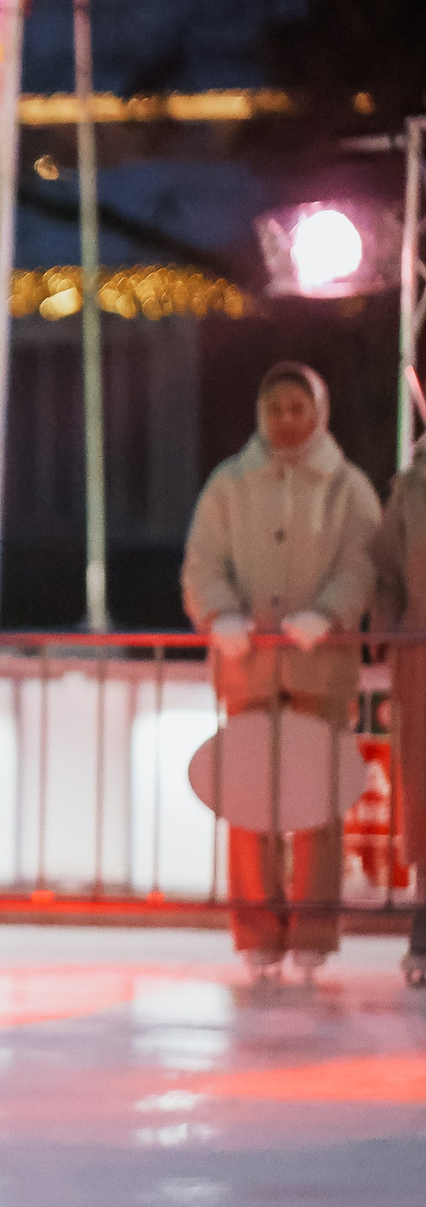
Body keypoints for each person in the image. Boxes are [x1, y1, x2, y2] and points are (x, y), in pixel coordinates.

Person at [183, 362, 379, 978]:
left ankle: (315, 932)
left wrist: (332, 612)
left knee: (317, 804)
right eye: (277, 408)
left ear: (319, 413)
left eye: (299, 407)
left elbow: (363, 561)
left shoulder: (346, 487)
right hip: (250, 668)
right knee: (251, 802)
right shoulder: (229, 484)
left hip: (319, 669)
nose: (287, 419)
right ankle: (258, 932)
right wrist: (219, 615)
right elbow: (202, 564)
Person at [373, 457, 426, 987]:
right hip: (422, 657)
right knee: (424, 793)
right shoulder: (413, 487)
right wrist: (388, 634)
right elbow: (386, 572)